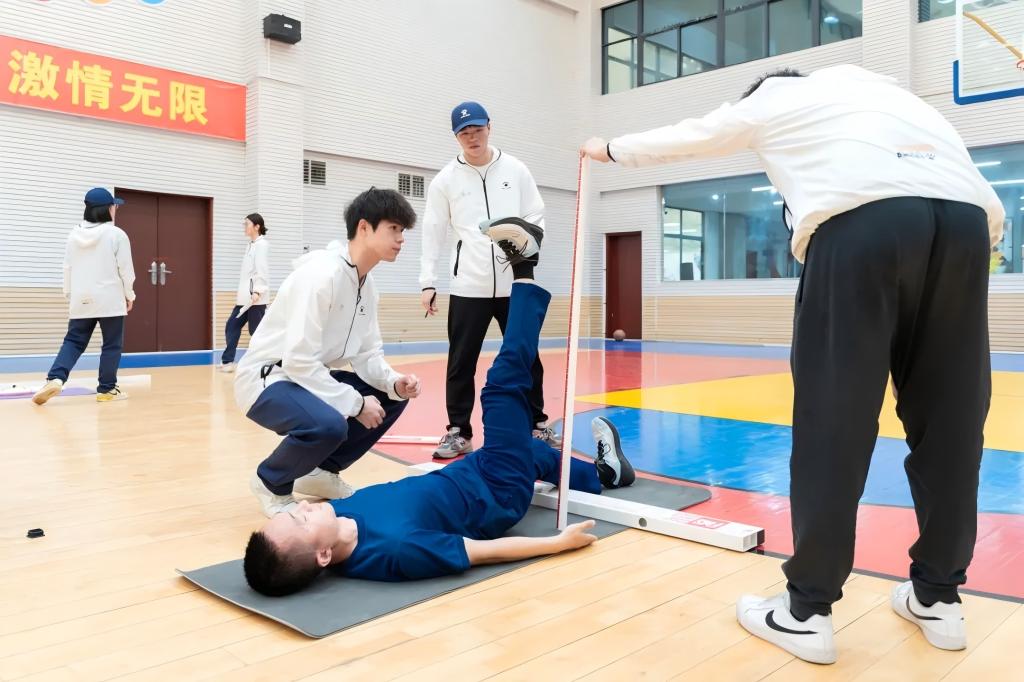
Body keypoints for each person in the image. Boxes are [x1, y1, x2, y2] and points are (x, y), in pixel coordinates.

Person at [581, 65, 1005, 664]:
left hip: (865, 226)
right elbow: (977, 195)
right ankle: (939, 597)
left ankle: (806, 612)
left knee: (835, 421)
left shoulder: (779, 95)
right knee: (952, 422)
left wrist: (608, 149)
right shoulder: (889, 95)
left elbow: (700, 133)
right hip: (966, 227)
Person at [243, 218, 636, 596]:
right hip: (498, 491)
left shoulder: (338, 518)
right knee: (501, 388)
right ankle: (525, 266)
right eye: (301, 520)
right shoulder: (395, 551)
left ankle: (605, 473)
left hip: (471, 473)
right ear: (324, 556)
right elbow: (480, 552)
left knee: (533, 452)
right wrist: (557, 544)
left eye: (293, 511)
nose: (303, 506)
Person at [235, 188, 422, 517]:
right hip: (267, 378)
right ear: (364, 227)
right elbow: (297, 360)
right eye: (394, 228)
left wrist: (394, 382)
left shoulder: (367, 286)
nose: (401, 238)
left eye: (403, 230)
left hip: (307, 376)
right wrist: (356, 403)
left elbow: (367, 354)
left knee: (391, 397)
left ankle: (319, 472)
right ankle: (271, 482)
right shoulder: (321, 275)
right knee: (330, 424)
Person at [419, 100, 558, 459]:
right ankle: (458, 431)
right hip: (468, 284)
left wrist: (528, 246)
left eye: (478, 129)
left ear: (489, 128)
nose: (472, 137)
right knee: (461, 361)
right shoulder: (445, 180)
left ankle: (537, 424)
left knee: (527, 355)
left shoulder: (515, 169)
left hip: (515, 283)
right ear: (456, 136)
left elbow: (536, 214)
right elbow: (433, 231)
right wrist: (427, 280)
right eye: (464, 132)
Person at [33, 187, 136, 405]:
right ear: (108, 208)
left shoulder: (73, 235)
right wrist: (130, 295)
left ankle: (55, 378)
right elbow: (126, 270)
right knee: (111, 344)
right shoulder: (117, 235)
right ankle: (107, 389)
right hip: (110, 299)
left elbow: (67, 268)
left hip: (81, 298)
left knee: (73, 341)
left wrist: (69, 296)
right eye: (114, 205)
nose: (116, 209)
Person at [220, 213, 271, 373]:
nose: (244, 227)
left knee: (255, 332)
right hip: (244, 298)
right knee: (232, 325)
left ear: (257, 226)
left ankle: (265, 362)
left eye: (247, 224)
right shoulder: (250, 245)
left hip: (256, 298)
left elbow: (262, 270)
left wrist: (258, 291)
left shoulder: (262, 245)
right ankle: (228, 362)